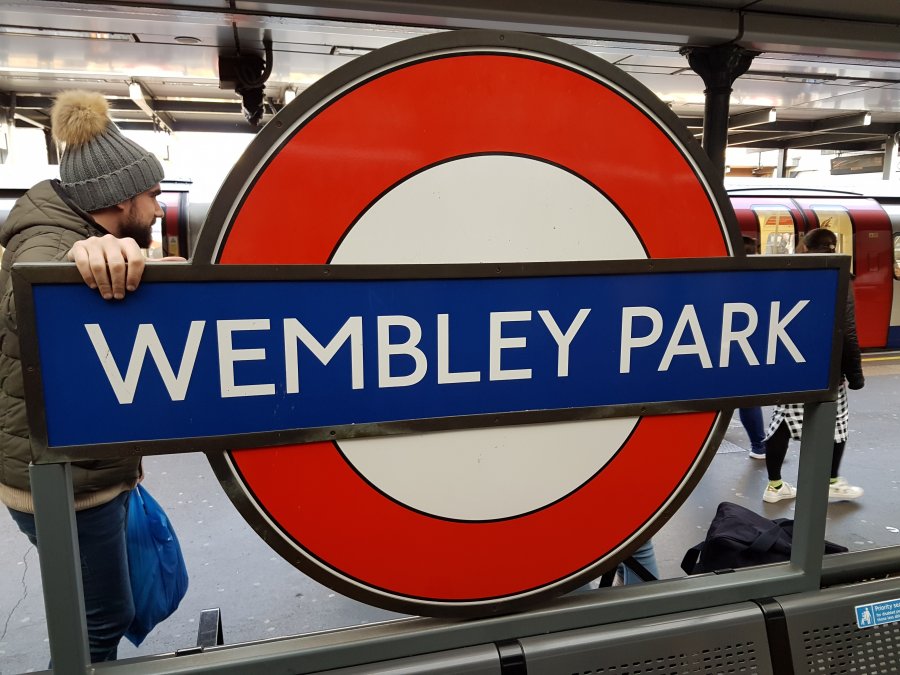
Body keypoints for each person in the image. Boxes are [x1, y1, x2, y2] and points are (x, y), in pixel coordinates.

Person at [0, 90, 171, 662]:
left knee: (96, 613)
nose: (158, 208)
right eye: (152, 195)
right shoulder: (51, 243)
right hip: (66, 484)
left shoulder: (65, 229)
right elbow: (26, 302)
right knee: (96, 625)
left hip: (81, 470)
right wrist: (77, 265)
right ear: (120, 197)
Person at [762, 228, 865, 504]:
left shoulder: (790, 274)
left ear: (805, 248)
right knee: (837, 422)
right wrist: (855, 374)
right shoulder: (839, 277)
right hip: (826, 366)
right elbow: (847, 331)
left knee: (783, 420)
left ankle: (775, 485)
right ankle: (831, 481)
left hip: (792, 362)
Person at [738, 236, 767, 459]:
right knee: (749, 399)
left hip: (717, 348)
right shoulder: (760, 278)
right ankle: (759, 445)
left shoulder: (720, 275)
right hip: (749, 350)